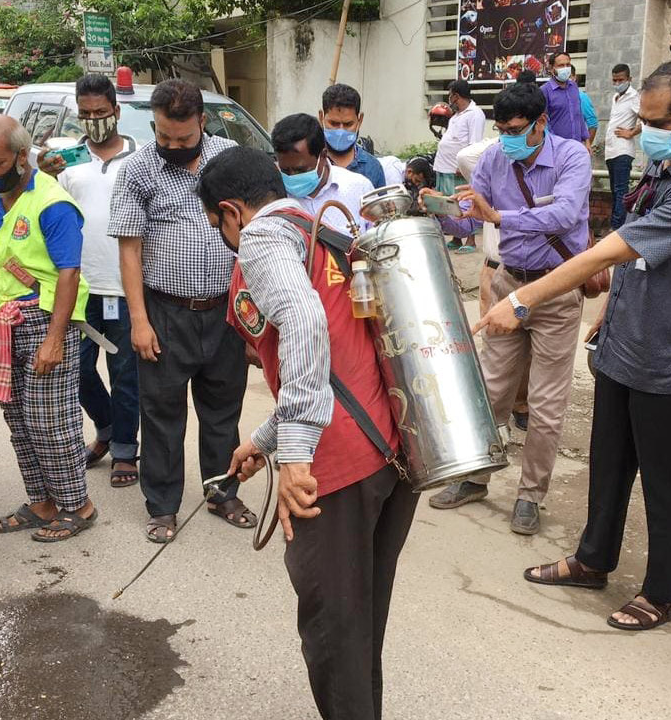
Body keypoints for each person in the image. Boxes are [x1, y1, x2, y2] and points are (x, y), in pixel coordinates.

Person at [479, 60, 671, 631]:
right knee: (609, 458)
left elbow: (609, 251)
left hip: (669, 351)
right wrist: (610, 311)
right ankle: (594, 559)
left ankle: (662, 591)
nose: (640, 131)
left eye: (653, 121)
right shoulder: (669, 159)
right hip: (628, 335)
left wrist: (522, 301)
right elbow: (636, 255)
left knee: (664, 473)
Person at [200, 145, 417, 720]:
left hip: (336, 467)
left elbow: (302, 321)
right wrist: (265, 441)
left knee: (334, 635)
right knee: (359, 625)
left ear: (230, 212)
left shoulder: (263, 236)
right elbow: (334, 363)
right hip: (388, 452)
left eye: (217, 227)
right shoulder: (319, 232)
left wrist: (294, 452)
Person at [423, 80, 591, 535]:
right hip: (508, 284)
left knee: (545, 402)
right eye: (501, 129)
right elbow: (469, 215)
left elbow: (566, 216)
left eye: (516, 129)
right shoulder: (496, 157)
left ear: (541, 123)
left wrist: (500, 217)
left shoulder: (573, 157)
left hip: (555, 291)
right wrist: (440, 207)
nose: (508, 138)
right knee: (492, 389)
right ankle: (474, 477)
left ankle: (530, 495)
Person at [109, 79, 254, 543]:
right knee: (162, 412)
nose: (171, 146)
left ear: (202, 124)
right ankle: (163, 505)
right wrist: (138, 320)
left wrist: (254, 320)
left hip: (226, 310)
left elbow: (255, 231)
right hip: (164, 312)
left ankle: (221, 492)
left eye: (183, 139)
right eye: (163, 136)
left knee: (222, 409)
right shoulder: (138, 170)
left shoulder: (230, 160)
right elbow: (130, 251)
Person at [0, 115, 97, 543]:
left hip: (45, 322)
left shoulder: (52, 204)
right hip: (5, 322)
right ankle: (41, 502)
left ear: (23, 157)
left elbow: (69, 274)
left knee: (50, 421)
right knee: (18, 420)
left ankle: (78, 505)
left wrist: (55, 339)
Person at [37, 73, 141, 489]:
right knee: (76, 368)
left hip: (123, 285)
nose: (94, 119)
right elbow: (47, 214)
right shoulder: (66, 162)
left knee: (125, 372)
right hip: (78, 288)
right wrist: (42, 176)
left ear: (117, 111)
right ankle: (106, 425)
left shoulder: (140, 158)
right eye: (86, 114)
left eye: (101, 112)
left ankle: (124, 451)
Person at [457, 136, 530, 431]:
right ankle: (494, 421)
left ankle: (521, 403)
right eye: (503, 130)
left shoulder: (550, 171)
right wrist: (504, 142)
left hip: (533, 275)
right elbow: (464, 156)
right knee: (495, 350)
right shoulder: (489, 172)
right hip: (495, 269)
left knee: (527, 349)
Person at [271, 113, 373, 234]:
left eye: (301, 170)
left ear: (323, 156)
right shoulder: (273, 197)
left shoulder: (359, 188)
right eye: (285, 170)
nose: (292, 176)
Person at [319, 84, 385, 189]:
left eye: (348, 124)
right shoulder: (311, 164)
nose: (340, 131)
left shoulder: (372, 168)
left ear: (360, 120)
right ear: (321, 117)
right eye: (333, 123)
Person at [433, 80, 486, 198]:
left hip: (456, 173)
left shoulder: (475, 114)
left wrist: (462, 167)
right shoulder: (455, 116)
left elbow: (475, 145)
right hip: (443, 169)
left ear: (456, 96)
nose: (449, 100)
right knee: (442, 206)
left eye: (450, 96)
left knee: (456, 207)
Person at [605, 63, 641, 230]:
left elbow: (647, 118)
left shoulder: (634, 97)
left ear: (629, 79)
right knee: (615, 191)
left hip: (623, 150)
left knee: (621, 191)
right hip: (611, 150)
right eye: (615, 80)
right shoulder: (615, 97)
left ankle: (617, 228)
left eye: (621, 80)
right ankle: (617, 226)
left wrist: (632, 132)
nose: (617, 83)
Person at [542, 52, 590, 147]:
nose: (565, 68)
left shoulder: (574, 87)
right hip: (556, 147)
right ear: (551, 69)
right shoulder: (544, 91)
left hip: (577, 145)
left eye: (567, 65)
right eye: (561, 65)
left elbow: (579, 115)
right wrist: (554, 144)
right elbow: (543, 122)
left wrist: (587, 141)